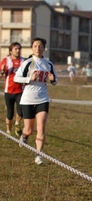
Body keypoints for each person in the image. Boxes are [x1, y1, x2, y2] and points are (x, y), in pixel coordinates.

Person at [14, 37, 57, 165]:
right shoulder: (27, 62)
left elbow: (55, 81)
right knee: (29, 130)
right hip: (28, 99)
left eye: (40, 46)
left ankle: (39, 155)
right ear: (32, 48)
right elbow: (17, 78)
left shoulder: (48, 64)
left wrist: (52, 79)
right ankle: (25, 136)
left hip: (43, 98)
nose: (38, 48)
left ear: (44, 48)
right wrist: (29, 78)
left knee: (41, 127)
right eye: (35, 46)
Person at [0, 42, 25, 137]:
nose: (18, 51)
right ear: (11, 51)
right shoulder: (5, 60)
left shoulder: (23, 61)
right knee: (10, 113)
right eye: (16, 49)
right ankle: (8, 131)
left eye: (19, 49)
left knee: (21, 112)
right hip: (9, 91)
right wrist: (2, 72)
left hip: (20, 91)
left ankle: (17, 124)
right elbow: (0, 75)